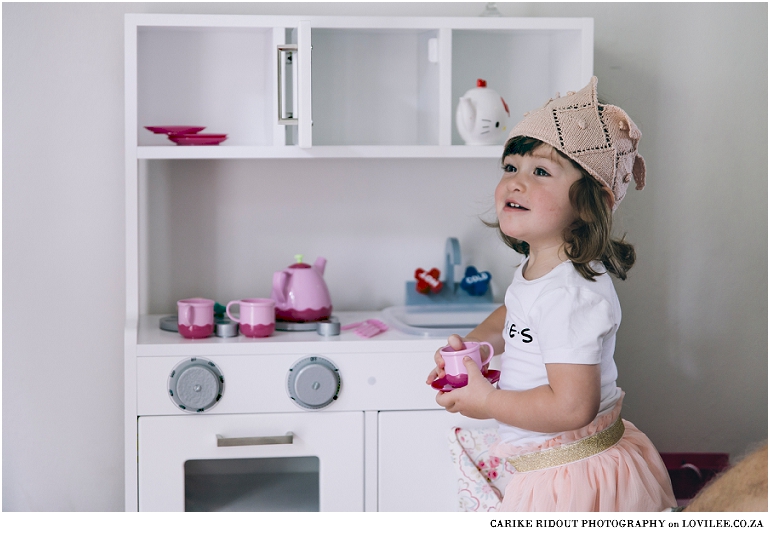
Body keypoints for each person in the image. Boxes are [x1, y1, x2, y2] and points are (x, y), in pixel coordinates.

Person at [427, 77, 676, 512]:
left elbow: (571, 407)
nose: (516, 182)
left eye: (540, 171)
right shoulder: (542, 269)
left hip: (571, 478)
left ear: (588, 202)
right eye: (510, 167)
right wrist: (477, 346)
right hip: (549, 462)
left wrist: (487, 401)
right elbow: (513, 313)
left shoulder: (571, 293)